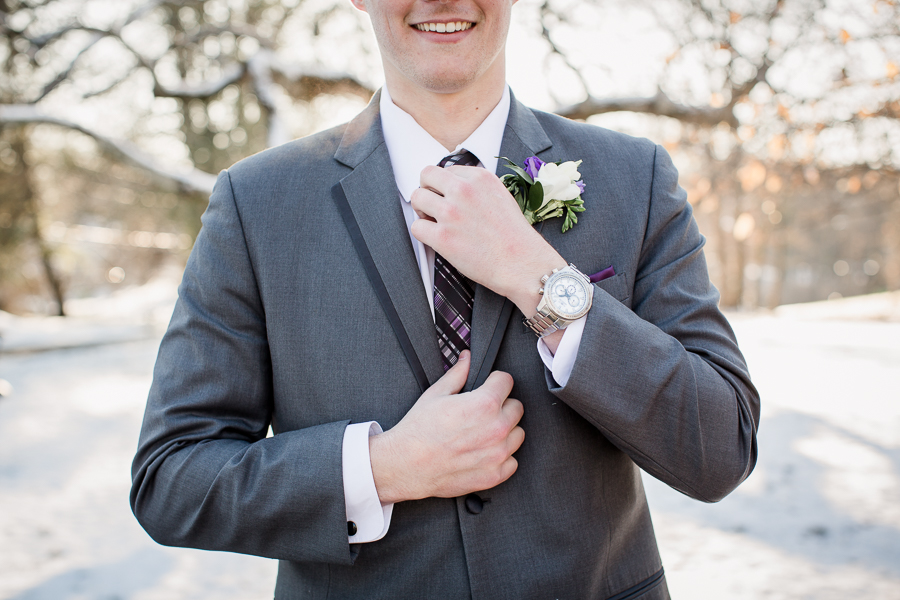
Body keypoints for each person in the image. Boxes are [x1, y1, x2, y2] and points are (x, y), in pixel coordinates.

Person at [131, 0, 760, 597]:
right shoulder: (258, 204)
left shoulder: (636, 178)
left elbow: (722, 446)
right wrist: (382, 469)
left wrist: (539, 279)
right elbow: (172, 478)